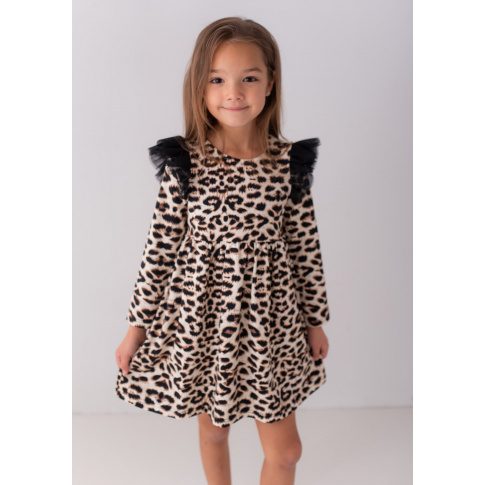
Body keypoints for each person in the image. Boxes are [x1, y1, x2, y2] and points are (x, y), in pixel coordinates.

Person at [115, 16, 331, 485]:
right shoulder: (186, 163)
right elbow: (158, 250)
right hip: (205, 318)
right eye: (217, 79)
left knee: (286, 451)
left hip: (272, 324)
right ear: (200, 86)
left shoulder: (287, 164)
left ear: (270, 83)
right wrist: (136, 329)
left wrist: (315, 321)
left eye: (248, 78)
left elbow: (305, 248)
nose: (233, 92)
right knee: (214, 429)